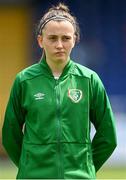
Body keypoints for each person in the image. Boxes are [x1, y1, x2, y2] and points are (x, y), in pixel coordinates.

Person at [2, 2, 117, 179]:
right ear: (41, 40)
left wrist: (86, 167)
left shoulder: (89, 80)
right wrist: (29, 166)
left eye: (66, 38)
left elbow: (108, 136)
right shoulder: (24, 81)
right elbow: (10, 135)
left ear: (75, 39)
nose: (59, 45)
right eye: (53, 38)